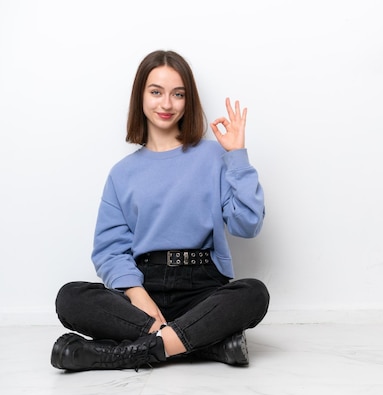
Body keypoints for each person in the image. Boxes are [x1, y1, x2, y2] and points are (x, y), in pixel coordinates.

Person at [51, 50, 270, 372]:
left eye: (177, 94)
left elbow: (247, 224)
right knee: (70, 297)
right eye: (156, 92)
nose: (166, 104)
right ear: (140, 96)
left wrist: (237, 156)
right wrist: (137, 295)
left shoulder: (214, 156)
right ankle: (206, 344)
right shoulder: (122, 173)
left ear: (188, 100)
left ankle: (122, 354)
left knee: (254, 293)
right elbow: (110, 250)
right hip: (143, 285)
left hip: (203, 286)